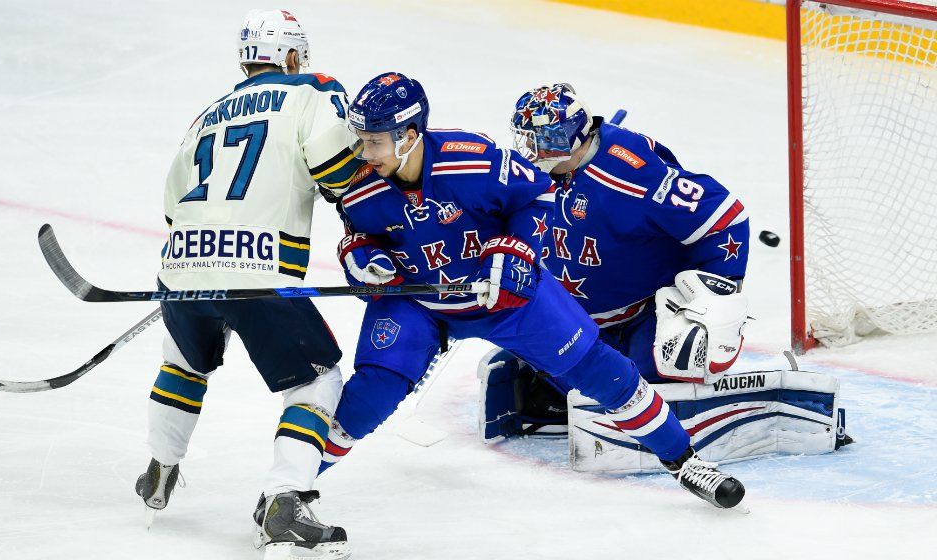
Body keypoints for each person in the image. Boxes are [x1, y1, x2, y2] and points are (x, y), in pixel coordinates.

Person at [319, 72, 746, 509]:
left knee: (604, 371)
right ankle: (292, 485)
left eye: (374, 142)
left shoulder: (472, 160)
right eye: (361, 140)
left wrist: (515, 252)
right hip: (421, 304)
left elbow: (538, 193)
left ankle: (685, 461)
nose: (363, 153)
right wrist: (360, 257)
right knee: (371, 393)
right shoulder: (358, 185)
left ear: (409, 135)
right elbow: (359, 233)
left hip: (507, 297)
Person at [478, 84, 848, 473]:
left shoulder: (630, 176)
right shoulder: (536, 174)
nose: (530, 152)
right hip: (581, 316)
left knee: (654, 373)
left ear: (568, 136)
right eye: (526, 139)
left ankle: (686, 397)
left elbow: (725, 217)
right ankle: (556, 389)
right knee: (525, 327)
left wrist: (713, 297)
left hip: (644, 315)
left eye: (540, 140)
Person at [136, 10, 359, 558]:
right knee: (317, 382)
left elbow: (172, 207)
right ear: (292, 55)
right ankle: (285, 500)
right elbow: (340, 175)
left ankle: (160, 467)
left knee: (183, 361)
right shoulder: (314, 92)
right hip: (258, 270)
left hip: (181, 265)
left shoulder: (205, 115)